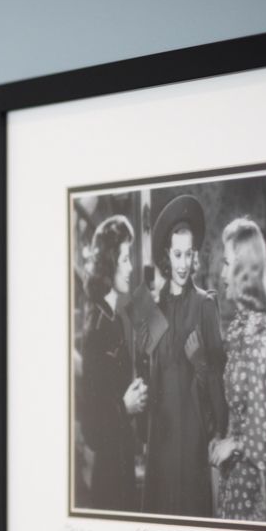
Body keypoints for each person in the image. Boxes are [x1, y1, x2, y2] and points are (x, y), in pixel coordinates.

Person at [143, 194, 227, 518]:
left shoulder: (207, 305)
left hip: (192, 442)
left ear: (195, 257)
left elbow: (219, 400)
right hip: (160, 443)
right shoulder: (151, 309)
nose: (182, 263)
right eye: (176, 254)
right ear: (167, 253)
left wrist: (200, 363)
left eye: (188, 254)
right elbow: (146, 380)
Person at [209, 218, 266, 522]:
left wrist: (234, 444)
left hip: (249, 484)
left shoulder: (262, 339)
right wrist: (220, 436)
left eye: (227, 264)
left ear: (243, 272)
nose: (221, 274)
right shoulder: (240, 331)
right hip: (232, 478)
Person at [79, 215, 146, 511]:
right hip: (109, 476)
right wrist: (125, 406)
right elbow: (91, 428)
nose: (131, 267)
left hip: (122, 460)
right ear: (108, 263)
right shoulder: (97, 326)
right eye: (124, 259)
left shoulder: (113, 317)